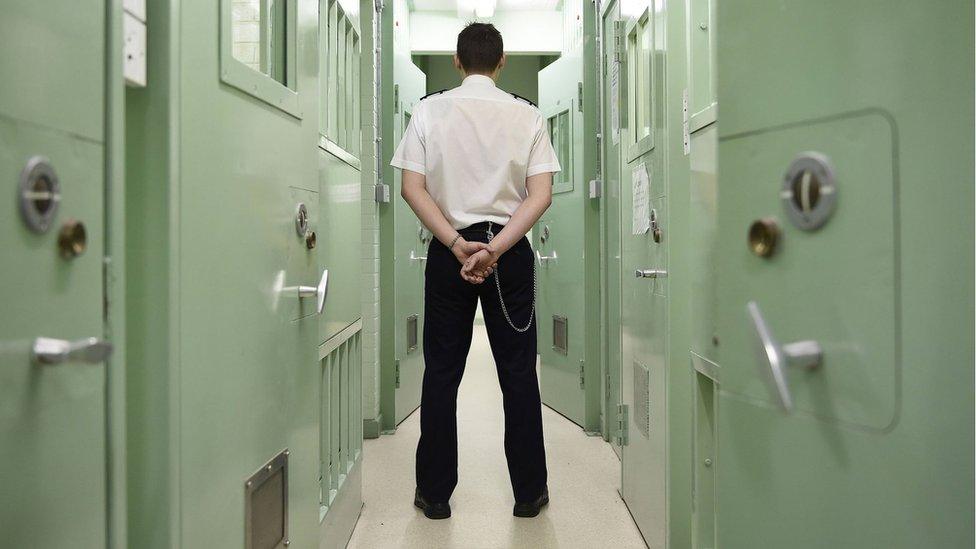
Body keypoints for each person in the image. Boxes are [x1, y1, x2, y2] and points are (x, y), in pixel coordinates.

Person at [391, 22, 561, 520]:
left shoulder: (427, 111)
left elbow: (411, 188)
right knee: (518, 374)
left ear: (457, 61)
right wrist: (498, 249)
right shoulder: (527, 116)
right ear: (502, 61)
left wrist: (457, 245)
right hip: (508, 256)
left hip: (451, 252)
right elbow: (541, 195)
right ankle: (529, 494)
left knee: (442, 373)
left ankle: (435, 495)